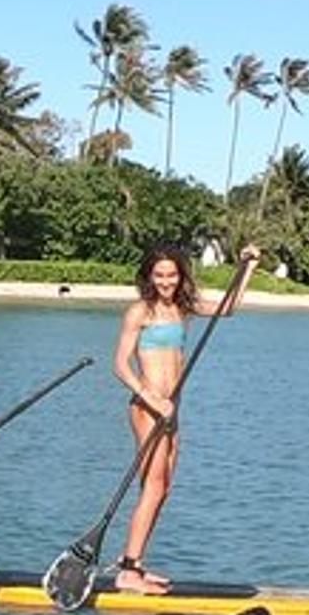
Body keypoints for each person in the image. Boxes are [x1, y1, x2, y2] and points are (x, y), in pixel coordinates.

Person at [110, 241, 260, 594]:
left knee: (163, 490)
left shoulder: (182, 308)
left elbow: (229, 308)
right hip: (147, 408)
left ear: (181, 276)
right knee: (154, 486)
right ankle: (128, 571)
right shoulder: (140, 312)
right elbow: (119, 364)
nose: (166, 282)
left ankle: (135, 562)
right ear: (149, 276)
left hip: (171, 411)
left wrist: (247, 267)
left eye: (172, 275)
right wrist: (150, 397)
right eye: (159, 275)